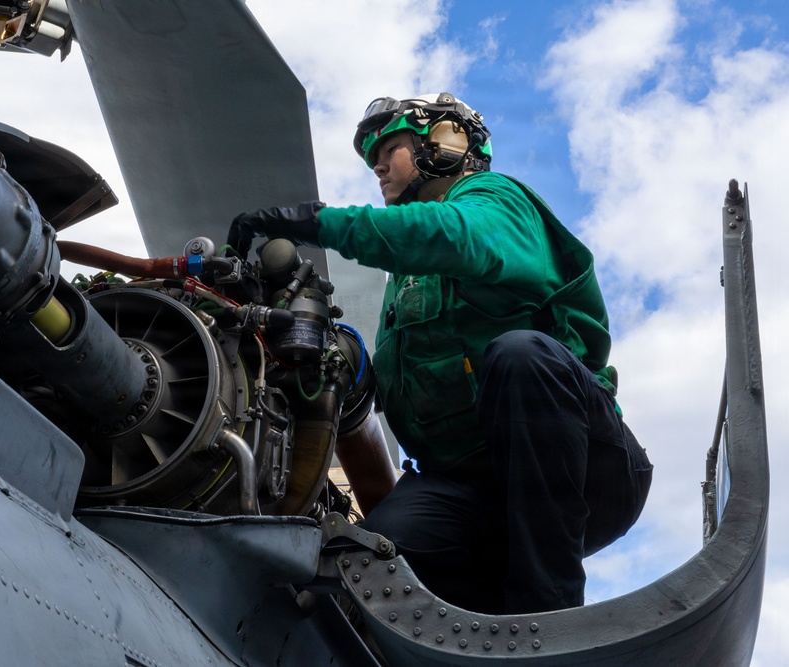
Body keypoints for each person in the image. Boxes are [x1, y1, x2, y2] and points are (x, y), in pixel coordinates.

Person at [227, 93, 652, 614]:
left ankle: (550, 614)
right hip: (467, 490)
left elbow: (454, 235)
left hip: (586, 466)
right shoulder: (408, 278)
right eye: (373, 159)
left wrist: (317, 223)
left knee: (521, 357)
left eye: (389, 149)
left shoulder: (495, 199)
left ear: (445, 143)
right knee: (360, 569)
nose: (378, 167)